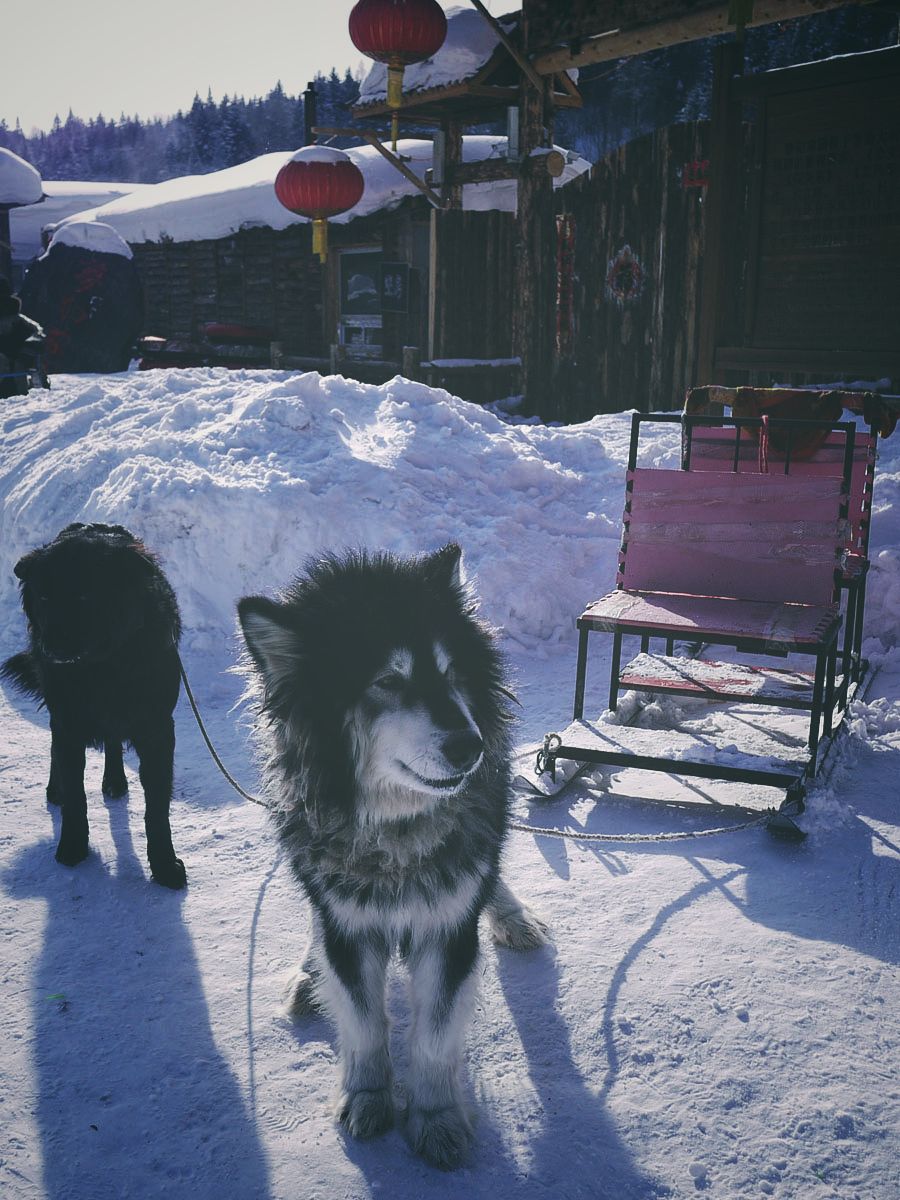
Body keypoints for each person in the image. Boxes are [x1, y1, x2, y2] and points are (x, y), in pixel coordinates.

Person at [0, 276, 47, 398]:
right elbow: (37, 332)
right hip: (18, 358)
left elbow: (36, 332)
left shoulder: (17, 319)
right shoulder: (19, 319)